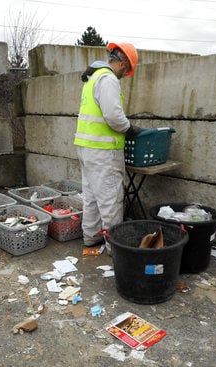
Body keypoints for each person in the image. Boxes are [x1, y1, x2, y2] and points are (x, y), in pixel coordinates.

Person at [74, 42, 141, 254]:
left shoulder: (93, 78)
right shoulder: (108, 79)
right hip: (103, 150)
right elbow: (113, 116)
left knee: (92, 196)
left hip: (86, 147)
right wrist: (129, 129)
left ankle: (91, 237)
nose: (124, 74)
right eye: (126, 70)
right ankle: (115, 248)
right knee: (110, 199)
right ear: (122, 63)